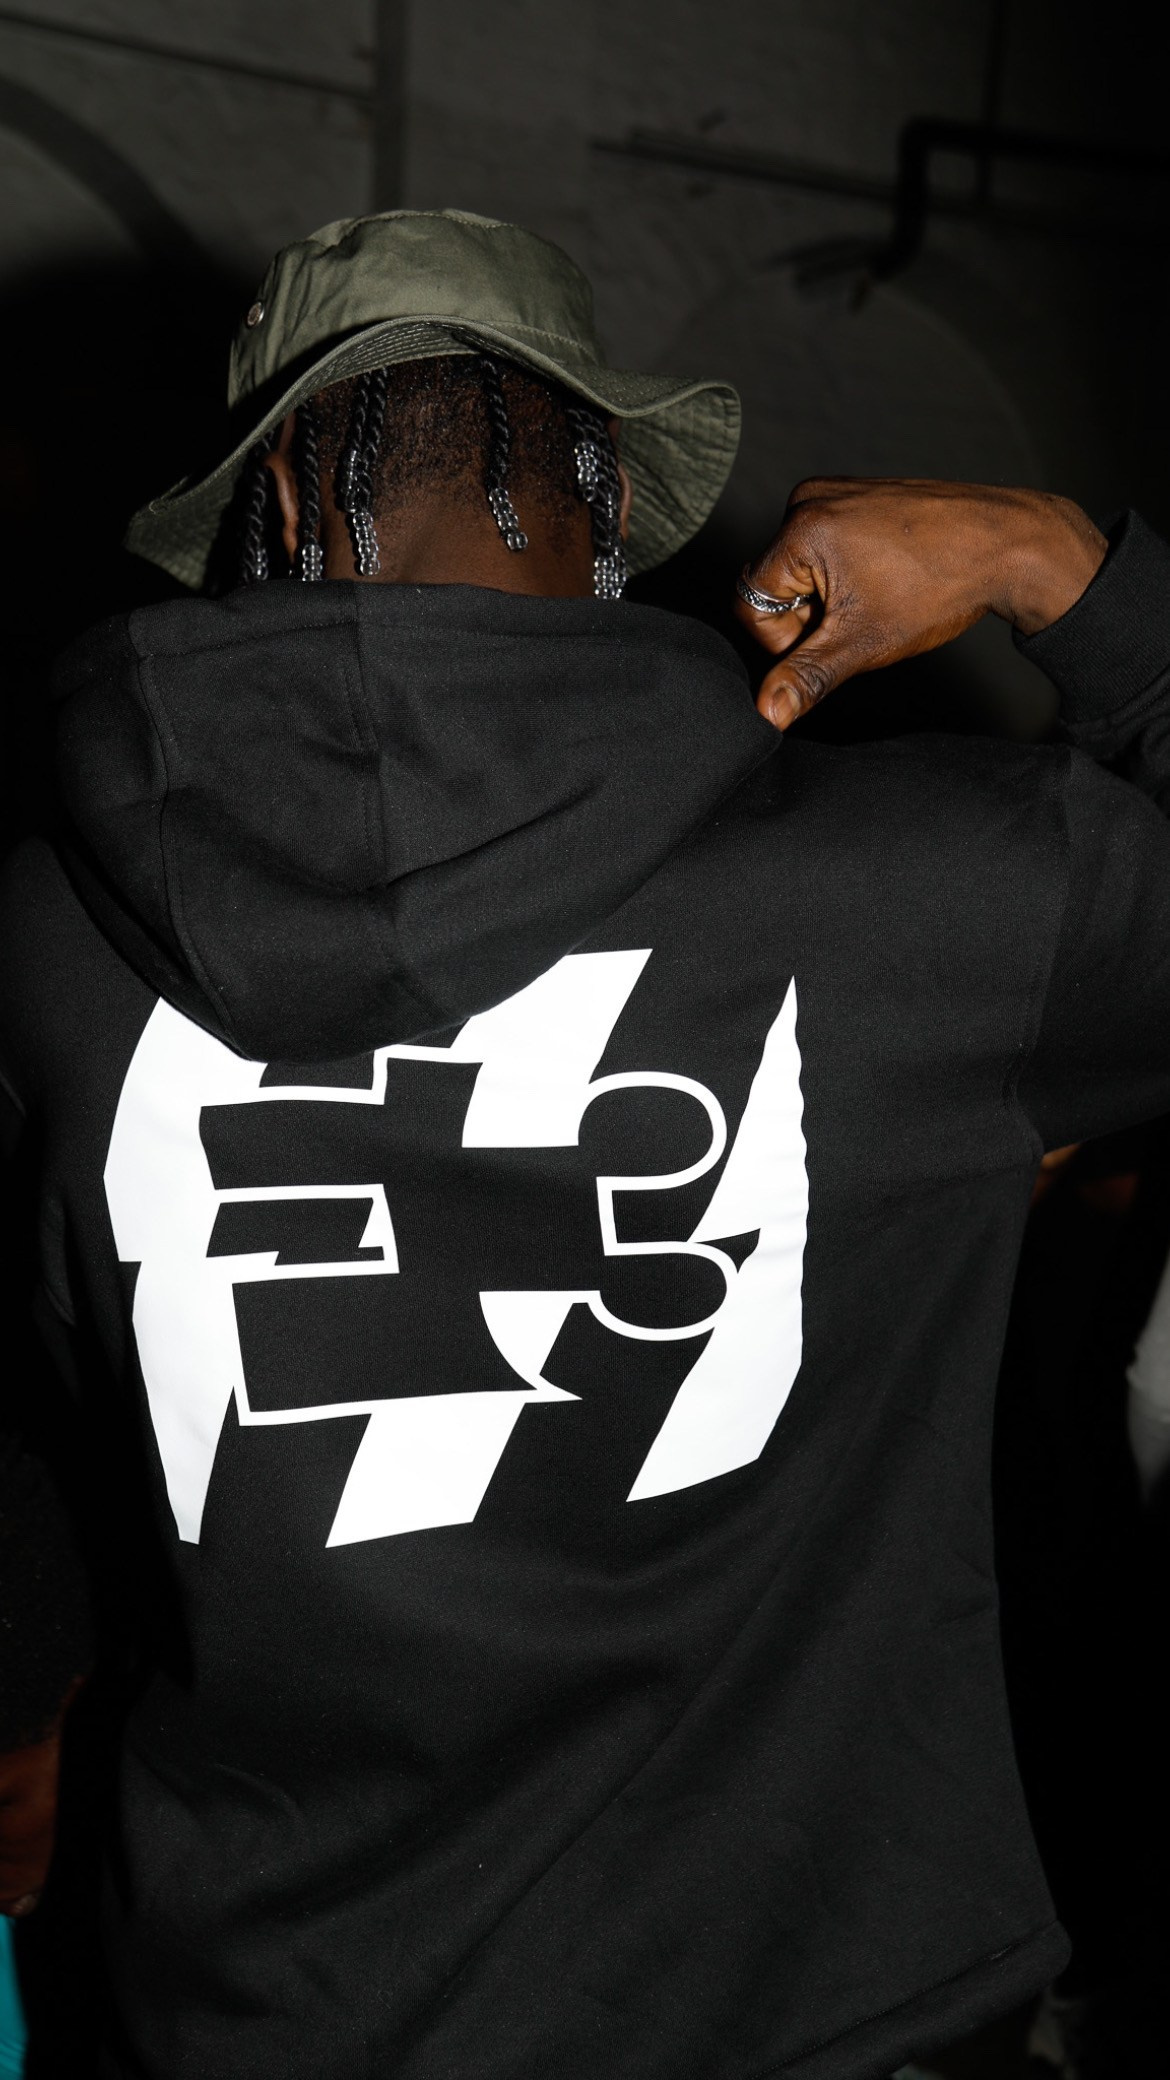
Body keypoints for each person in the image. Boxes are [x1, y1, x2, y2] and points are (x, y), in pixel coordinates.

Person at [1, 205, 1168, 2080]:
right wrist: (1065, 567)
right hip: (789, 2013)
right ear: (613, 505)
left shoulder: (47, 950)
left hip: (261, 2013)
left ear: (267, 511)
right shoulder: (934, 900)